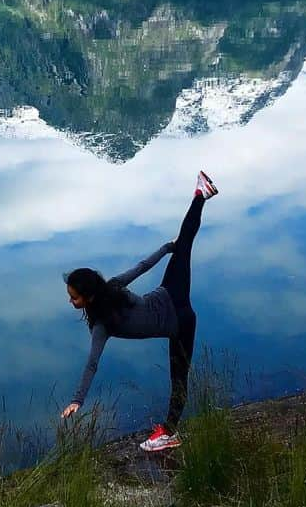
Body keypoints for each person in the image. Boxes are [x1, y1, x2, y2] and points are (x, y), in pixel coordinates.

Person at [60, 171, 218, 452]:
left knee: (178, 379)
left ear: (87, 296)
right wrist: (168, 248)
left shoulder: (102, 325)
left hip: (179, 321)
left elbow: (91, 364)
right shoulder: (112, 289)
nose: (70, 302)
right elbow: (143, 265)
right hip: (170, 292)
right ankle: (199, 196)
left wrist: (77, 400)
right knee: (185, 244)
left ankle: (169, 434)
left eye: (73, 298)